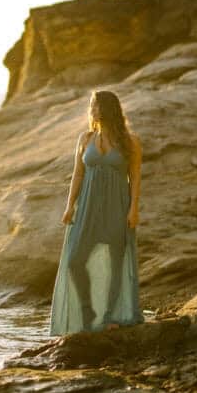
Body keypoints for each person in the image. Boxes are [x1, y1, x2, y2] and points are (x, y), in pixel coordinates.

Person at [49, 89, 145, 335]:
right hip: (88, 207)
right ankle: (88, 310)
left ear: (108, 109)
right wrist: (70, 205)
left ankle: (111, 316)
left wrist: (133, 209)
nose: (92, 110)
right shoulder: (85, 139)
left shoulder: (130, 141)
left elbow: (134, 178)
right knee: (75, 260)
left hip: (117, 205)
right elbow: (78, 174)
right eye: (92, 106)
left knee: (116, 261)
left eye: (96, 105)